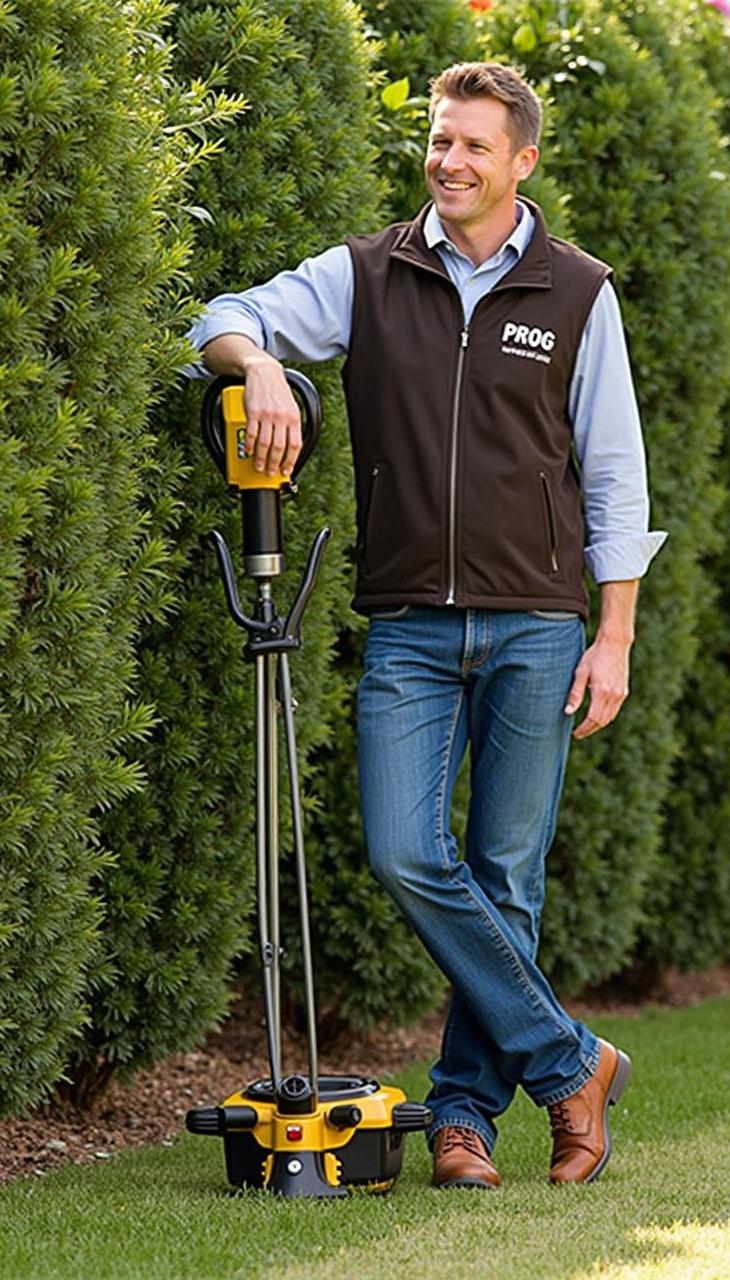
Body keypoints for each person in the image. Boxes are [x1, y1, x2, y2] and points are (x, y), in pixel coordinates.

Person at [188, 61, 666, 1190]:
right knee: (408, 849)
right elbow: (220, 315)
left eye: (473, 147)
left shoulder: (576, 291)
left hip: (540, 622)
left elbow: (615, 475)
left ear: (522, 163)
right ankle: (571, 1059)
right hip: (408, 621)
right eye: (439, 141)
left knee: (506, 872)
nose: (449, 162)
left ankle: (464, 1121)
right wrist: (258, 360)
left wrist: (615, 635)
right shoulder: (367, 273)